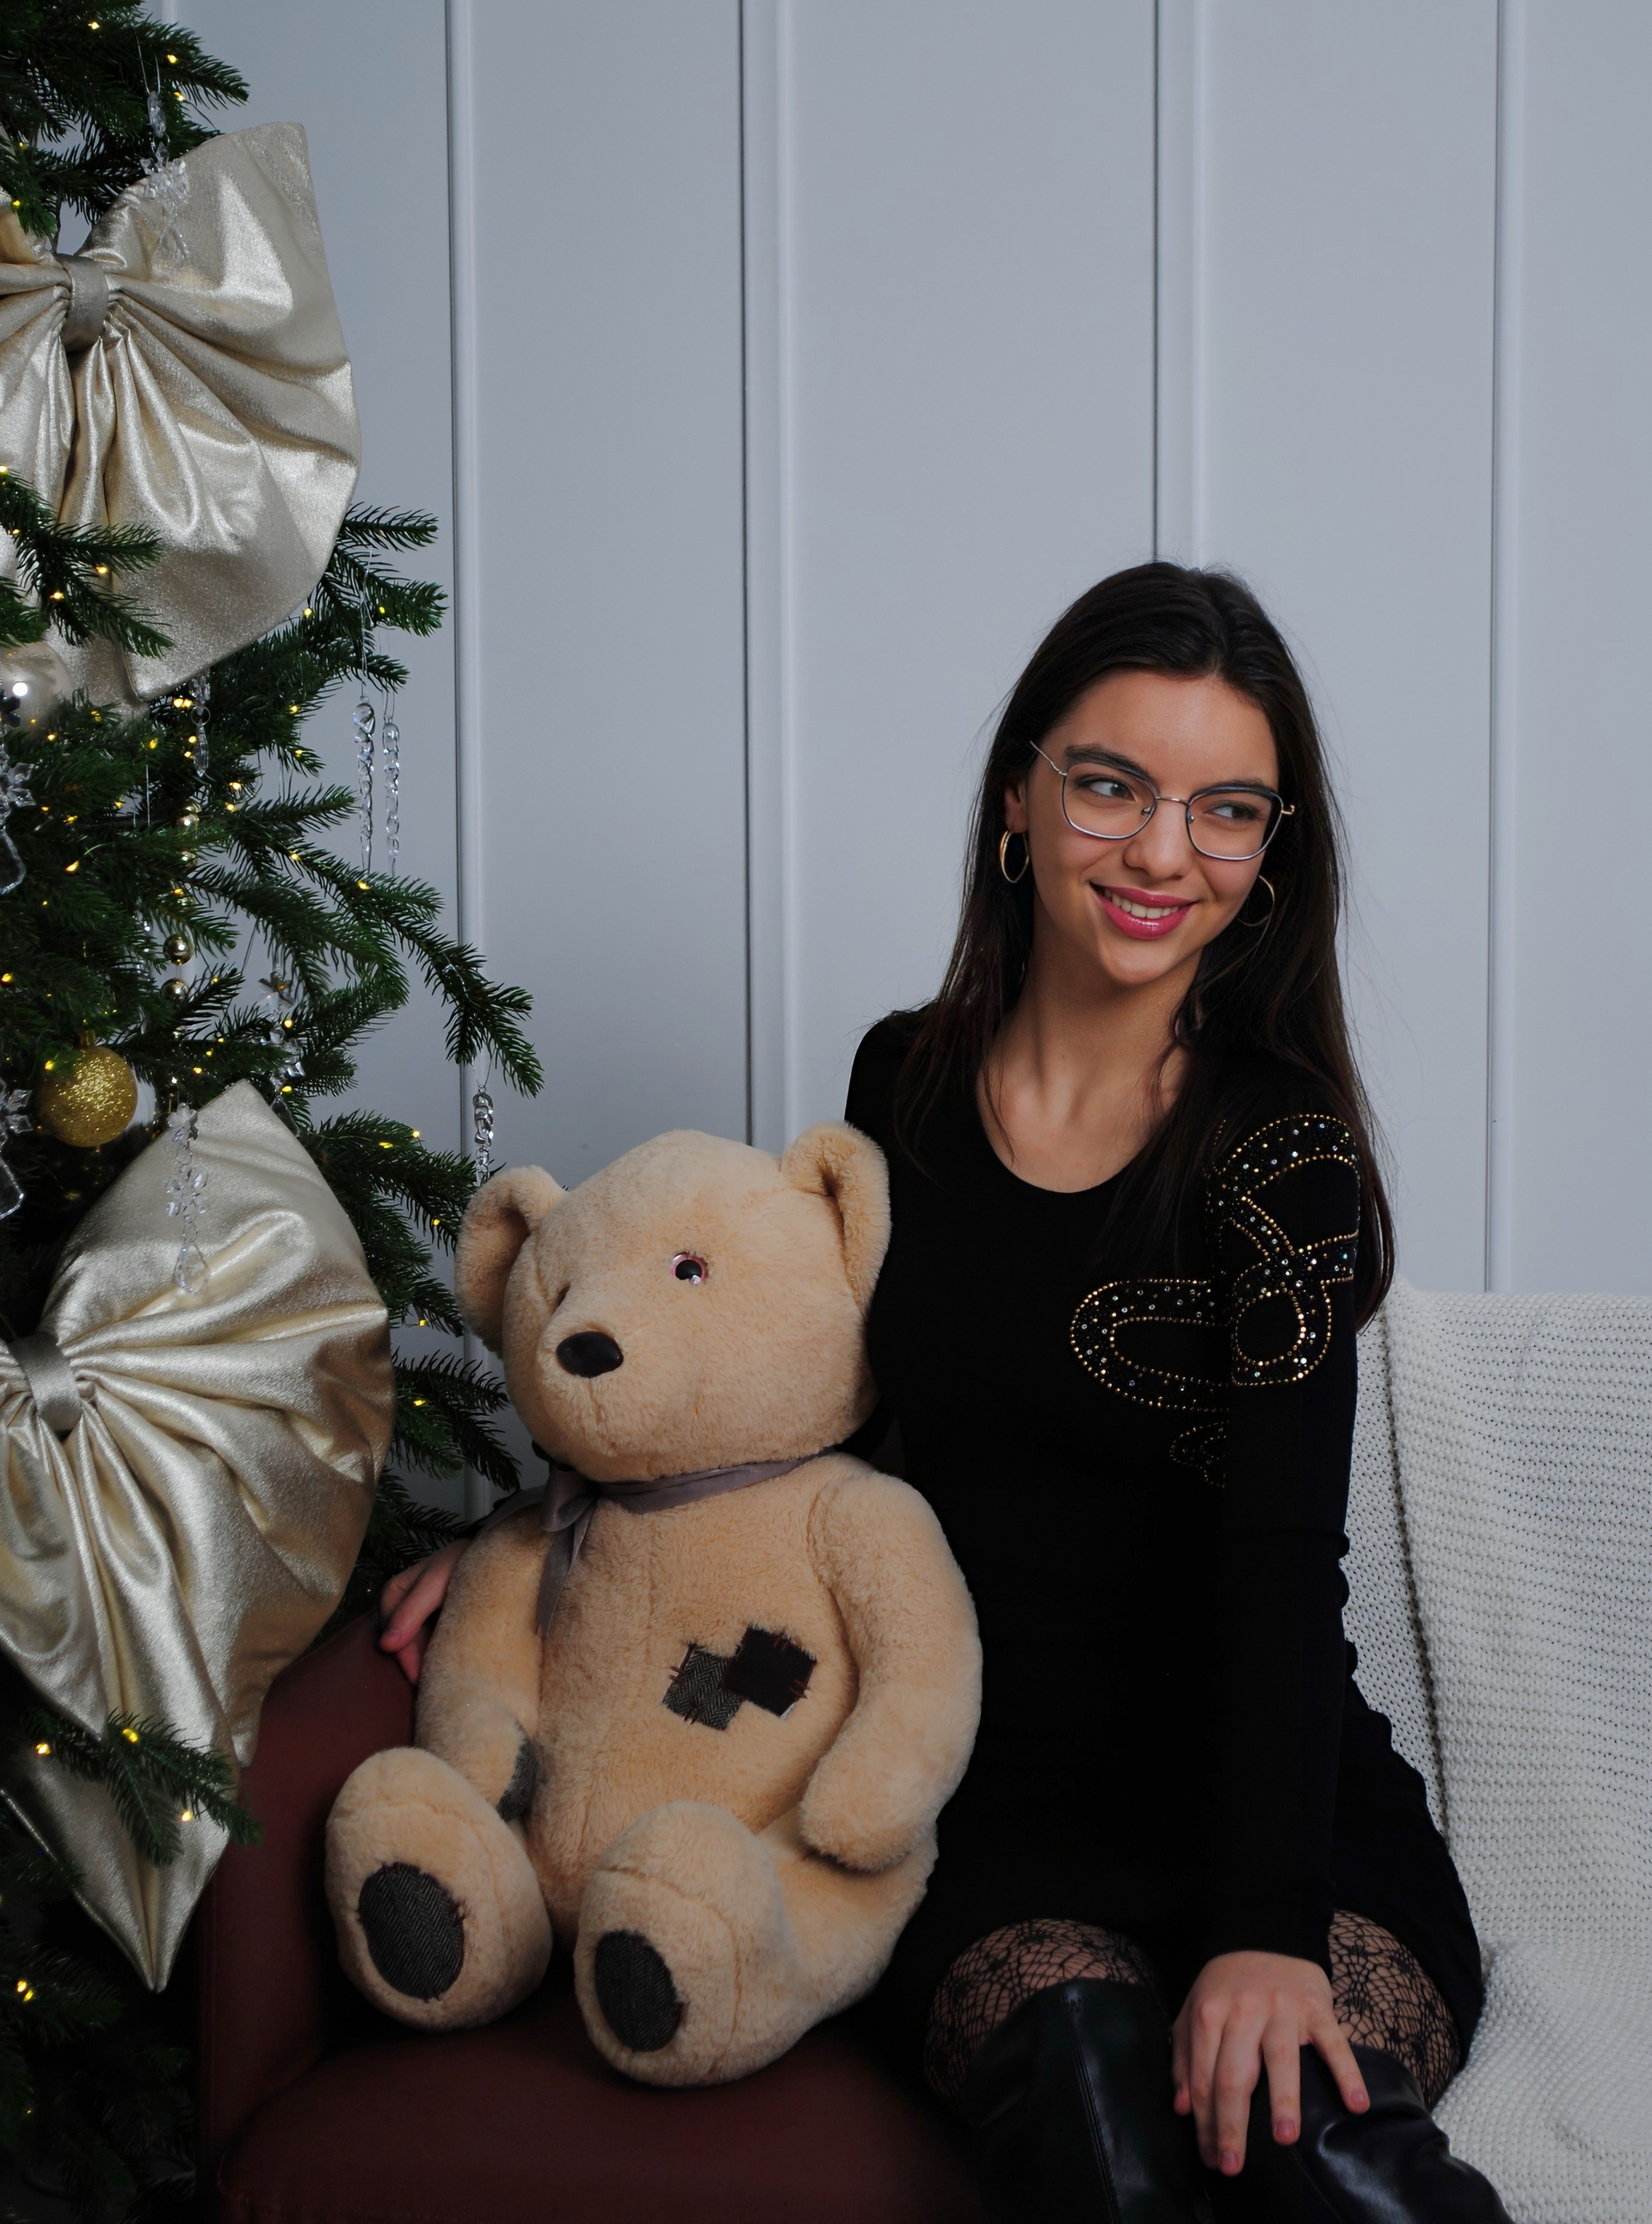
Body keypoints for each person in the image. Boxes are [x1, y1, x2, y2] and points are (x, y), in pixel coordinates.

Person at [379, 565, 1511, 2223]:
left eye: (1226, 809)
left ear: (1271, 854)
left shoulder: (1283, 1152)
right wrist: (536, 1543)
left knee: (1303, 2146)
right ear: (1017, 801)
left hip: (1279, 1812)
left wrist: (1266, 1931)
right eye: (1112, 785)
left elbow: (1285, 1569)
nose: (1163, 853)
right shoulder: (898, 1084)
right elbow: (806, 1404)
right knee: (1100, 2129)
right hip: (988, 1804)